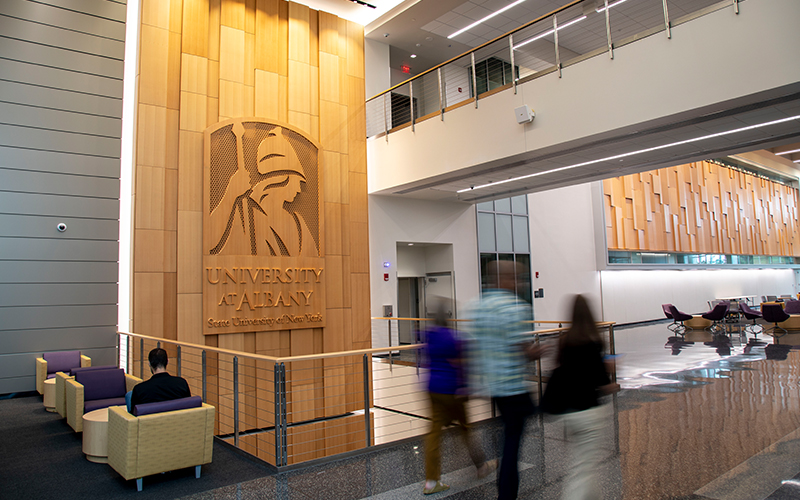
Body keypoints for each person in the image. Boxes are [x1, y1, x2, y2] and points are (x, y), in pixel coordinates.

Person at [467, 260, 545, 500]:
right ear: (504, 279)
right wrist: (538, 351)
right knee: (513, 440)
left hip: (494, 386)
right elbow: (521, 348)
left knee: (509, 433)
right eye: (517, 278)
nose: (519, 283)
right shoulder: (514, 308)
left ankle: (505, 486)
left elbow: (475, 346)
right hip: (512, 386)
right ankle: (507, 492)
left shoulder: (478, 307)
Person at [540, 295, 616, 500]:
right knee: (583, 467)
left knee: (585, 462)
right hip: (590, 412)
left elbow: (560, 370)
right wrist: (611, 372)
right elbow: (602, 382)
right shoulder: (594, 343)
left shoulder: (565, 341)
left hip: (570, 413)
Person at [209, 125, 317, 257]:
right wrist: (231, 194)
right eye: (297, 182)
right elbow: (210, 242)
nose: (299, 189)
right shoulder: (244, 212)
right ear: (282, 179)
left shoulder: (298, 223)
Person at [423, 299, 493, 495]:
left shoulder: (429, 337)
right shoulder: (454, 338)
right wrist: (465, 388)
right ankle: (481, 466)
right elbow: (461, 364)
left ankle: (431, 481)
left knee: (433, 434)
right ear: (447, 319)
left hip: (431, 389)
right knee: (465, 428)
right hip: (451, 391)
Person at [127, 348, 191, 413]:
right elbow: (189, 406)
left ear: (149, 364)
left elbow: (134, 415)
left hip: (150, 422)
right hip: (177, 421)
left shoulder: (139, 389)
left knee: (129, 395)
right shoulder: (182, 383)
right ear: (167, 361)